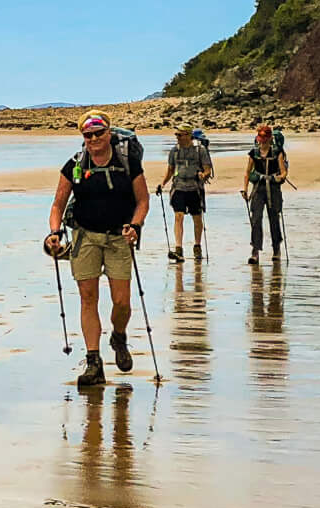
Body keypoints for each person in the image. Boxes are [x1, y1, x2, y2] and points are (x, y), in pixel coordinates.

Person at [46, 110, 148, 388]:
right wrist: (55, 232)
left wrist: (136, 226)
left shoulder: (129, 162)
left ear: (109, 133)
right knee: (88, 298)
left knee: (121, 302)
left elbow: (142, 201)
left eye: (98, 133)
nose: (93, 139)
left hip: (119, 238)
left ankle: (119, 335)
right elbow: (57, 204)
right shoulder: (75, 164)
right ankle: (94, 362)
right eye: (88, 135)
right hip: (85, 237)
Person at [158, 121, 210, 263]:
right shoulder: (174, 150)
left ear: (188, 135)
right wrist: (162, 184)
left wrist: (203, 175)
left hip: (195, 188)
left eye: (179, 135)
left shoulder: (200, 150)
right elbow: (170, 169)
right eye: (176, 135)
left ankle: (197, 246)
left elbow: (207, 169)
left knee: (197, 217)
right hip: (179, 186)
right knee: (178, 216)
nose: (177, 137)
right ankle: (179, 249)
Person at [243, 121, 290, 264]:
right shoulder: (254, 153)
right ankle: (255, 251)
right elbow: (247, 172)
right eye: (260, 137)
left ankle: (276, 249)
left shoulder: (277, 153)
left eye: (264, 137)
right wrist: (244, 189)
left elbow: (283, 172)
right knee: (256, 219)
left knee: (274, 218)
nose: (262, 140)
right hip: (258, 189)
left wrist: (279, 178)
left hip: (273, 189)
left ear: (269, 138)